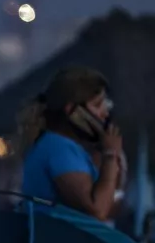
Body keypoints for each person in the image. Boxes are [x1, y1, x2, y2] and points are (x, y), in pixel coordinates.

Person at [18, 66, 124, 221]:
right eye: (97, 105)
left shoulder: (66, 148)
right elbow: (96, 210)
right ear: (72, 111)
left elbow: (109, 207)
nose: (105, 113)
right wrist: (110, 156)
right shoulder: (59, 148)